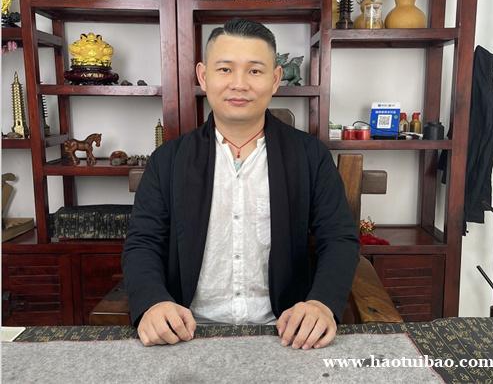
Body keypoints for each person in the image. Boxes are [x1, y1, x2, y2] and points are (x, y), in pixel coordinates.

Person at [122, 18, 359, 349]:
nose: (239, 84)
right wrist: (152, 302)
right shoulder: (168, 160)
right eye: (225, 69)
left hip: (286, 332)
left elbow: (339, 238)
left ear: (275, 79)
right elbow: (143, 242)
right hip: (187, 331)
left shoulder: (309, 156)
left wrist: (321, 304)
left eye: (255, 71)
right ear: (203, 76)